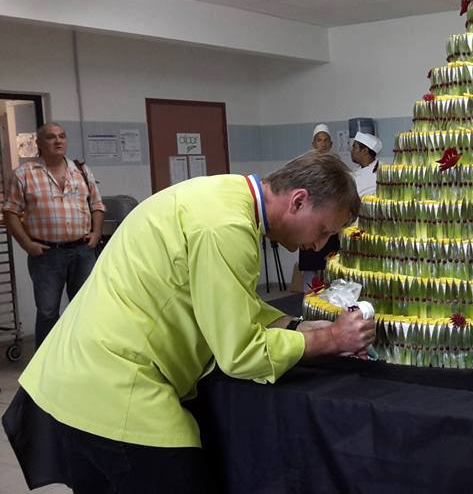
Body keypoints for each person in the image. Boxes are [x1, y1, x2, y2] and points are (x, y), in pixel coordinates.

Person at [8, 151, 375, 493]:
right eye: (325, 230)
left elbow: (228, 300)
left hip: (66, 380)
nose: (320, 245)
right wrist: (330, 340)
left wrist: (293, 325)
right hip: (113, 389)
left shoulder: (221, 196)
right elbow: (241, 354)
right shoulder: (226, 228)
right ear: (298, 201)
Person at [2, 122, 104, 348]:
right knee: (48, 311)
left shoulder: (81, 171)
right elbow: (10, 212)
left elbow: (97, 205)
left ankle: (82, 355)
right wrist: (28, 245)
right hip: (47, 255)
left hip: (82, 251)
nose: (58, 141)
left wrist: (96, 233)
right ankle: (44, 367)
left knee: (85, 307)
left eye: (62, 136)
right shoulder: (24, 174)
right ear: (39, 143)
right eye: (50, 137)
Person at [299, 123, 339, 292]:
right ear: (313, 144)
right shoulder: (304, 168)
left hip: (330, 227)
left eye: (325, 140)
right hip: (308, 226)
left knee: (331, 271)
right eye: (318, 140)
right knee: (310, 275)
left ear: (330, 144)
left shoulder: (337, 168)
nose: (322, 144)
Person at [350, 131, 381, 198]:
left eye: (354, 147)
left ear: (365, 151)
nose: (351, 151)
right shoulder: (356, 171)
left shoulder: (381, 171)